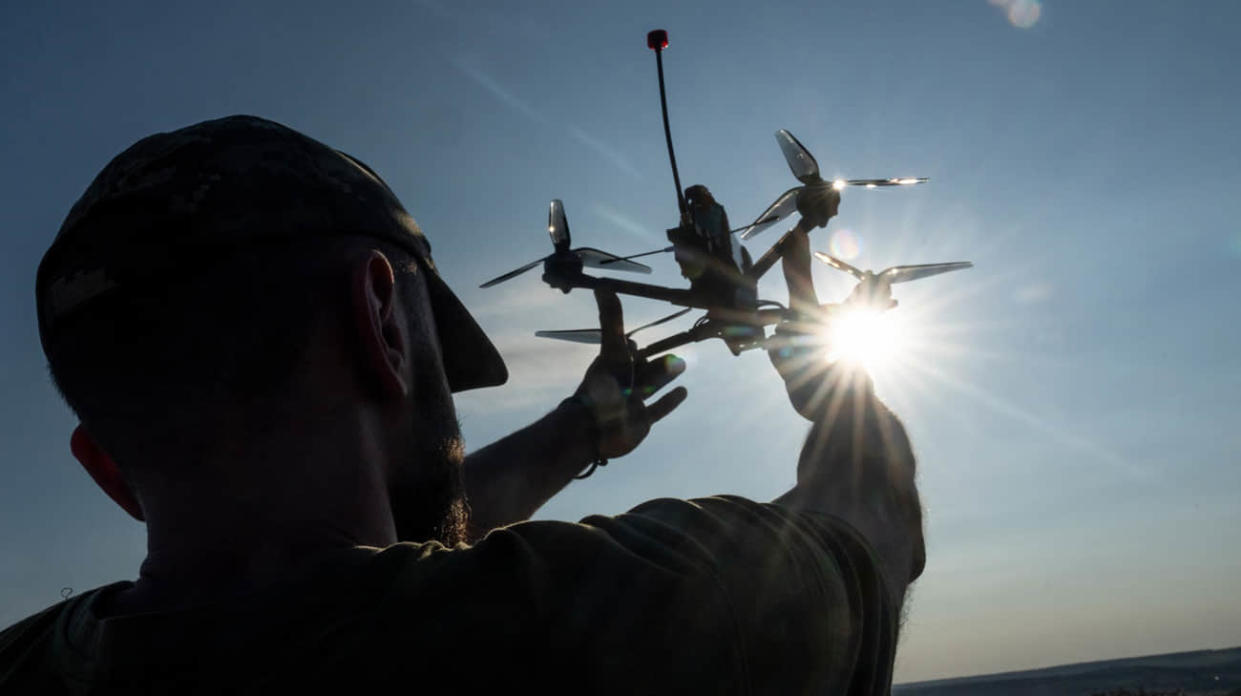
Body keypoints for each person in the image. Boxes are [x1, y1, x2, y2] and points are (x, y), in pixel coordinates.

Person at [0, 116, 923, 694]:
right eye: (440, 348)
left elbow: (337, 576)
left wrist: (576, 432)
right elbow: (873, 522)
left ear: (107, 468)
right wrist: (822, 363)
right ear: (381, 324)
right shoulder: (643, 617)